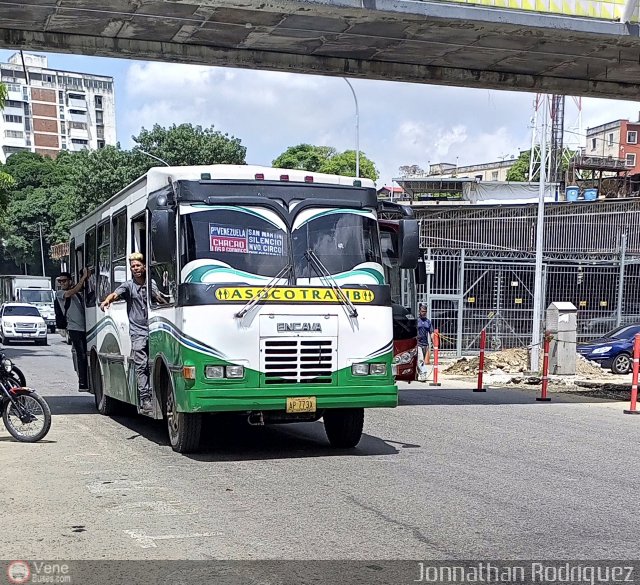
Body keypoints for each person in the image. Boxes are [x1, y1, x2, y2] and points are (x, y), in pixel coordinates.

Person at [99, 253, 163, 413]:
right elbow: (115, 294)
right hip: (138, 332)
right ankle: (145, 399)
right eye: (132, 267)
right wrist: (107, 300)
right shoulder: (128, 285)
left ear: (144, 266)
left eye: (138, 266)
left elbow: (161, 299)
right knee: (141, 366)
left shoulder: (152, 283)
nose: (135, 269)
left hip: (155, 329)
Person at [56, 269, 90, 391]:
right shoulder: (60, 294)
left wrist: (85, 278)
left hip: (86, 328)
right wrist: (83, 278)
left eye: (64, 281)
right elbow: (73, 291)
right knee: (81, 355)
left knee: (86, 355)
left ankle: (87, 380)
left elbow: (79, 289)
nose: (62, 283)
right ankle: (82, 382)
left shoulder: (78, 293)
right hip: (74, 328)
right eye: (60, 281)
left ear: (70, 281)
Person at [417, 304, 433, 381]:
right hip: (417, 343)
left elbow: (431, 332)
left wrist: (434, 342)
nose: (424, 313)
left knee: (421, 359)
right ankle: (423, 373)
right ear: (419, 311)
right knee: (420, 359)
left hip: (425, 344)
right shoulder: (417, 321)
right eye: (422, 311)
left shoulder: (428, 322)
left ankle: (416, 373)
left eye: (425, 311)